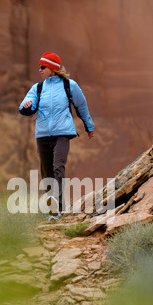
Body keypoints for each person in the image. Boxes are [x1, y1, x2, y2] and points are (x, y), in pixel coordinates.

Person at [19, 52, 95, 220]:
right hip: (42, 135)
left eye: (43, 67)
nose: (39, 70)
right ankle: (51, 208)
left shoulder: (70, 85)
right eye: (39, 67)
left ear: (52, 68)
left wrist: (89, 126)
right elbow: (25, 108)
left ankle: (59, 207)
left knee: (58, 166)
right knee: (46, 172)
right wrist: (27, 106)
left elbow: (81, 106)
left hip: (62, 133)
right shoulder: (38, 88)